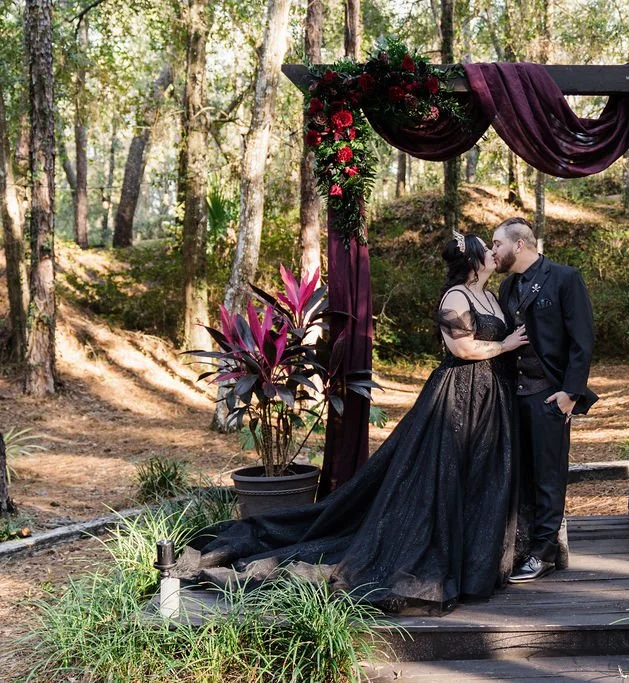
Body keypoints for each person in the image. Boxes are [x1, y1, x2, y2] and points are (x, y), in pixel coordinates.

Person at [174, 232, 529, 614]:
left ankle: (476, 564)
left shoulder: (491, 296)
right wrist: (505, 346)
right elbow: (462, 348)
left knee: (481, 478)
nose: (494, 253)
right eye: (487, 248)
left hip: (493, 397)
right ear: (473, 259)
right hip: (457, 397)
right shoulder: (455, 297)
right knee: (443, 479)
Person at [492, 217, 598, 583]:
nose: (494, 251)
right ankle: (528, 545)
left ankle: (543, 553)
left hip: (549, 395)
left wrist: (570, 393)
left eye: (497, 244)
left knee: (548, 477)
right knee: (522, 475)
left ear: (519, 244)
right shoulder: (506, 287)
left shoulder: (565, 278)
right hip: (512, 397)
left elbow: (582, 340)